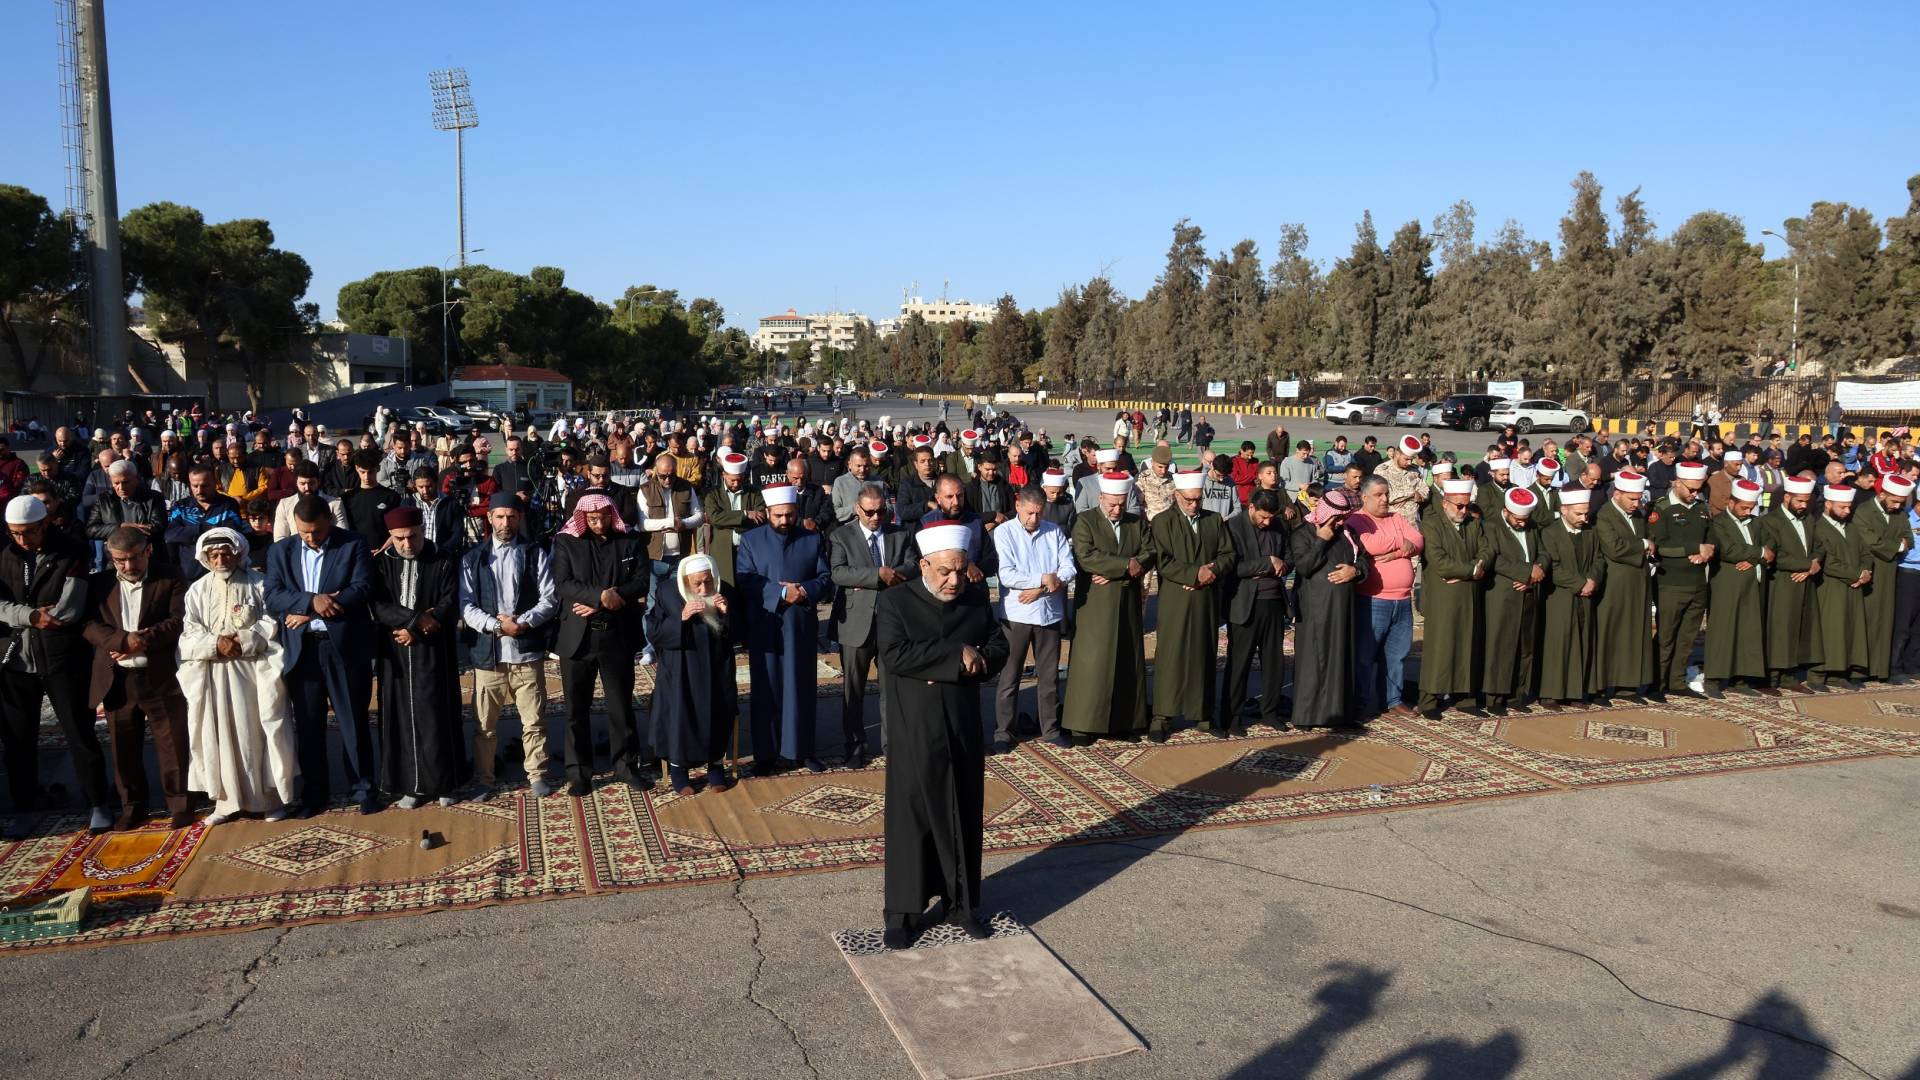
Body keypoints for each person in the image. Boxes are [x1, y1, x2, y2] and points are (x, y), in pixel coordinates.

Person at [875, 520, 1009, 949]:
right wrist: (956, 655)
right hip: (915, 726)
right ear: (924, 565)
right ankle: (903, 912)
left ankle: (963, 905)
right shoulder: (896, 601)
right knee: (912, 817)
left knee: (962, 812)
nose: (954, 580)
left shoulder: (973, 598)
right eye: (944, 571)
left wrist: (980, 659)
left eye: (960, 570)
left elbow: (998, 644)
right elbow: (893, 655)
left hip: (962, 723)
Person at [0, 494, 110, 836]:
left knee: (79, 731)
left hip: (61, 656)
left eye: (29, 533)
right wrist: (31, 615)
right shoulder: (4, 554)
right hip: (16, 659)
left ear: (45, 523)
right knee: (18, 738)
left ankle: (98, 801)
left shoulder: (71, 551)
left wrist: (22, 614)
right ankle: (25, 803)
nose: (22, 540)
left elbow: (68, 609)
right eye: (15, 533)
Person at [264, 496, 376, 816]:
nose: (311, 538)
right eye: (304, 533)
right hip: (303, 651)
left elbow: (362, 587)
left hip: (342, 646)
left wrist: (316, 613)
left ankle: (363, 787)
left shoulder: (352, 544)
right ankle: (315, 792)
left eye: (316, 531)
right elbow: (273, 595)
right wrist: (312, 602)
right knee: (309, 725)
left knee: (353, 720)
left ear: (329, 519)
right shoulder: (280, 551)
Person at [177, 529, 297, 825]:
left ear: (238, 552)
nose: (220, 559)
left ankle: (268, 800)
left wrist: (243, 640)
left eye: (225, 553)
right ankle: (225, 803)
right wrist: (215, 644)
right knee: (218, 735)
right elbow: (188, 633)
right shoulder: (198, 590)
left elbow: (271, 622)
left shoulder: (259, 584)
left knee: (256, 733)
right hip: (214, 674)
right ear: (205, 558)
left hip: (253, 673)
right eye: (213, 555)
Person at [81, 526, 192, 830]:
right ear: (111, 557)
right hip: (117, 680)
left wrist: (141, 640)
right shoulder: (99, 584)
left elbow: (180, 619)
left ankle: (180, 803)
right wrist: (120, 641)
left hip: (160, 675)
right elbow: (89, 624)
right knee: (123, 746)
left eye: (134, 559)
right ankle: (133, 806)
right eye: (120, 561)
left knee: (173, 742)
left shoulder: (170, 576)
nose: (129, 566)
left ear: (148, 551)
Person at [548, 493, 653, 795]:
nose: (597, 522)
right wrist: (599, 596)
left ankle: (626, 765)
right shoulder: (567, 541)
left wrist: (606, 601)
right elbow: (563, 584)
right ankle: (579, 772)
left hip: (616, 634)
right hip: (577, 639)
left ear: (612, 514)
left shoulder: (630, 541)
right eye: (591, 518)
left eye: (603, 517)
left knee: (620, 705)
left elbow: (640, 582)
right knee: (575, 708)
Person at [460, 493, 559, 798]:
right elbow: (465, 605)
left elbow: (550, 599)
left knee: (533, 720)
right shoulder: (473, 558)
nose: (506, 523)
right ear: (489, 518)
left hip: (525, 651)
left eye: (511, 517)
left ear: (520, 518)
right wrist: (497, 625)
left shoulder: (534, 553)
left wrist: (524, 622)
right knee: (485, 726)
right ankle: (485, 779)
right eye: (500, 517)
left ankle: (537, 773)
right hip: (488, 655)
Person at [369, 506, 465, 808]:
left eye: (412, 536)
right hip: (395, 652)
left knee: (437, 715)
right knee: (400, 716)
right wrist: (412, 621)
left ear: (423, 530)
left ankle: (444, 783)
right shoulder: (382, 564)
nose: (407, 544)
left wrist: (418, 630)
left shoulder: (443, 558)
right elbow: (377, 604)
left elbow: (449, 603)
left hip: (434, 650)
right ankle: (410, 785)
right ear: (390, 537)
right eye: (399, 539)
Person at [737, 484, 833, 774]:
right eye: (778, 515)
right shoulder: (751, 540)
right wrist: (779, 594)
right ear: (767, 513)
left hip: (800, 625)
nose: (784, 521)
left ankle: (801, 751)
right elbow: (745, 578)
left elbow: (825, 577)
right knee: (766, 688)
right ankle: (765, 754)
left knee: (800, 686)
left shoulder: (811, 538)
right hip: (766, 624)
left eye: (789, 515)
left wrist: (802, 591)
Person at [829, 483, 917, 767]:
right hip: (856, 624)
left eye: (882, 511)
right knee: (853, 690)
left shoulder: (899, 533)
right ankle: (854, 745)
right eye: (870, 512)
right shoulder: (841, 536)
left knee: (891, 689)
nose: (876, 517)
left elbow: (913, 565)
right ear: (857, 509)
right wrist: (877, 575)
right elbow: (839, 573)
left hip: (893, 623)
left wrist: (893, 574)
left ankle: (892, 744)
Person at [1060, 472, 1152, 743]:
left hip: (1127, 602)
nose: (1116, 509)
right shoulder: (1086, 521)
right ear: (1100, 498)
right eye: (1111, 504)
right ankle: (1082, 724)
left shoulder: (1136, 522)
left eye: (1121, 504)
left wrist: (1121, 569)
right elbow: (1087, 557)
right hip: (1095, 605)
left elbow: (1150, 552)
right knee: (1092, 664)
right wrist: (1126, 565)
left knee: (1126, 661)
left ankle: (1124, 723)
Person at [1146, 469, 1234, 740]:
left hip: (1206, 598)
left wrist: (1212, 572)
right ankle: (1163, 716)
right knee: (1172, 655)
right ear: (1176, 496)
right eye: (1189, 500)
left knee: (1203, 654)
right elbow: (1163, 560)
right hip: (1177, 598)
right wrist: (1194, 574)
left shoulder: (1214, 520)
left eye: (1198, 499)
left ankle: (1203, 714)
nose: (1194, 504)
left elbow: (1228, 553)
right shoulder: (1162, 522)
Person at [644, 554, 739, 795]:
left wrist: (726, 613)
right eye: (697, 584)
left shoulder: (723, 590)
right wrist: (682, 618)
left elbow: (740, 633)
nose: (704, 588)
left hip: (717, 668)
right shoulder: (667, 592)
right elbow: (654, 632)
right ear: (685, 581)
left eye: (707, 581)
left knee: (717, 713)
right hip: (680, 669)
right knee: (680, 715)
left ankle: (715, 766)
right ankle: (679, 770)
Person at [991, 488, 1075, 751]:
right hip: (1016, 614)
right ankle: (1004, 731)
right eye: (1029, 513)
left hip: (1048, 612)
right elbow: (1007, 575)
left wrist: (1041, 588)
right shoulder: (1005, 533)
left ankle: (1050, 728)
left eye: (1038, 513)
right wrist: (1042, 579)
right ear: (1018, 506)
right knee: (1010, 676)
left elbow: (1068, 567)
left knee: (1049, 676)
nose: (1033, 519)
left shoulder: (1054, 531)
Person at [1348, 474, 1426, 718]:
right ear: (1365, 497)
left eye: (1387, 495)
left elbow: (1418, 540)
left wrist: (1394, 552)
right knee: (1365, 655)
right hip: (1373, 599)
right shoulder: (1357, 520)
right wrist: (1400, 544)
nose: (1385, 500)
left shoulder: (1397, 517)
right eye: (1379, 495)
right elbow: (1370, 545)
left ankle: (1392, 700)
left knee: (1396, 654)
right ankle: (1359, 703)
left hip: (1402, 599)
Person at [1290, 488, 1368, 729]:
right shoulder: (1303, 533)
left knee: (1342, 657)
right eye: (1337, 517)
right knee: (1314, 659)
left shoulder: (1349, 533)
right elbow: (1304, 566)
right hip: (1315, 608)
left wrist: (1354, 571)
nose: (1340, 522)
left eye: (1343, 517)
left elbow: (1364, 560)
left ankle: (1340, 714)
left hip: (1343, 609)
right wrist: (1321, 539)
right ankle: (1307, 715)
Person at [1220, 489, 1292, 732]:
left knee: (1274, 661)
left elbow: (1288, 557)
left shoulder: (1279, 526)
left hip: (1273, 601)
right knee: (1240, 662)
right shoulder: (1233, 527)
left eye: (1270, 517)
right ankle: (1232, 716)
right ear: (1250, 507)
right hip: (1245, 603)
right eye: (1262, 517)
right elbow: (1231, 567)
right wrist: (1266, 563)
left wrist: (1280, 564)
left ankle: (1270, 712)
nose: (1266, 522)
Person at [1415, 478, 1486, 718]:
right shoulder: (1431, 525)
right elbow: (1440, 562)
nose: (1463, 510)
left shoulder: (1473, 525)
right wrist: (1472, 571)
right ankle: (1429, 700)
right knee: (1440, 647)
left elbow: (1486, 550)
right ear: (1445, 503)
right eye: (1459, 506)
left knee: (1468, 644)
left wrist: (1474, 569)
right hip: (1443, 596)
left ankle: (1465, 697)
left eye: (1466, 505)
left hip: (1468, 594)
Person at [1480, 487, 1546, 715]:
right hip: (1502, 596)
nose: (1521, 524)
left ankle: (1517, 694)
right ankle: (1494, 696)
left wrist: (1536, 573)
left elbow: (1544, 554)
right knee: (1500, 645)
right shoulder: (1490, 526)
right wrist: (1527, 572)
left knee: (1524, 645)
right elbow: (1495, 560)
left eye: (1524, 520)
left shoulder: (1532, 526)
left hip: (1529, 593)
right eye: (1518, 519)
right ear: (1506, 511)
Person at [1702, 479, 1769, 697]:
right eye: (1743, 507)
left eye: (1751, 508)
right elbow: (1729, 550)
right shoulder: (1719, 522)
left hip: (1752, 583)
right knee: (1723, 629)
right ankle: (1713, 678)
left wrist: (1756, 559)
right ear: (1731, 502)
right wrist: (1757, 554)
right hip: (1726, 583)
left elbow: (1770, 548)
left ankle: (1741, 677)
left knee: (1747, 629)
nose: (1747, 512)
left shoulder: (1757, 523)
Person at [1594, 470, 1656, 702]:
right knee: (1610, 634)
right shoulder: (1604, 515)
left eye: (1638, 499)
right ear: (1617, 493)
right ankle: (1602, 686)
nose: (1636, 503)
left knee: (1633, 633)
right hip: (1614, 586)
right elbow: (1614, 548)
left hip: (1637, 583)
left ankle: (1627, 685)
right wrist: (1642, 544)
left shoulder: (1638, 516)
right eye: (1631, 499)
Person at [1761, 475, 1824, 694]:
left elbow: (1819, 545)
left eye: (1806, 501)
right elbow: (1774, 555)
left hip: (1804, 582)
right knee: (1778, 629)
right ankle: (1769, 677)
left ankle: (1788, 674)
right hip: (1782, 582)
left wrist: (1814, 563)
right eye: (1799, 501)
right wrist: (1808, 564)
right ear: (1787, 497)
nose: (1803, 505)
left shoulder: (1808, 519)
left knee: (1798, 628)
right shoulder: (1771, 521)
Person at [1811, 485, 1872, 689]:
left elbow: (1866, 553)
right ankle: (1819, 674)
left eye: (1849, 507)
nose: (1847, 511)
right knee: (1830, 629)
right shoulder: (1818, 527)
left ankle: (1839, 672)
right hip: (1830, 587)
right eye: (1843, 507)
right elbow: (1828, 562)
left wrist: (1865, 572)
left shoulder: (1851, 527)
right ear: (1828, 504)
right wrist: (1857, 574)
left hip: (1853, 587)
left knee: (1848, 629)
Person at [1856, 474, 1913, 684]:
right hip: (1869, 572)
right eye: (1894, 501)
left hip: (1890, 574)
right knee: (1867, 620)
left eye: (1901, 503)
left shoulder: (1899, 514)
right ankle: (1859, 671)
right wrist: (1896, 545)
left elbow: (1909, 538)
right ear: (1882, 495)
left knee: (1885, 621)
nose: (1897, 506)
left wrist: (1893, 543)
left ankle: (1880, 670)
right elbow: (1870, 541)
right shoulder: (1864, 511)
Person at [166, 465, 246, 580]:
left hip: (221, 572)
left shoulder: (229, 505)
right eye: (195, 486)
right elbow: (171, 534)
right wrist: (206, 528)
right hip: (190, 573)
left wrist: (188, 533)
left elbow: (232, 533)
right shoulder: (181, 506)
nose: (199, 490)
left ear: (215, 483)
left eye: (205, 486)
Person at [86, 460, 169, 563]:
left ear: (136, 479)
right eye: (116, 483)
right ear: (110, 481)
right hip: (116, 559)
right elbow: (91, 529)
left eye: (126, 482)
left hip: (148, 557)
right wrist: (120, 527)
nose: (121, 488)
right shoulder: (104, 500)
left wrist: (132, 531)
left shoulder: (154, 497)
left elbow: (159, 526)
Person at [702, 452, 765, 586]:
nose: (736, 484)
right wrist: (744, 514)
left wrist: (728, 519)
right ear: (723, 475)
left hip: (749, 550)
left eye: (739, 480)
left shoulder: (754, 493)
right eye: (732, 480)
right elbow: (715, 518)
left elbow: (760, 516)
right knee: (726, 588)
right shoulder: (713, 495)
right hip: (723, 549)